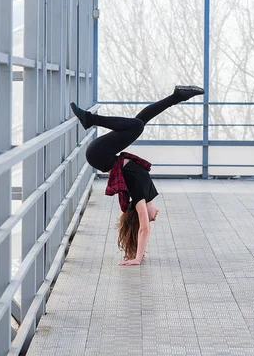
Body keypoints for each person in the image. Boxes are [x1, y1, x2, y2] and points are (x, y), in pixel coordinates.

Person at [70, 85, 204, 266]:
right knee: (140, 121)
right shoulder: (148, 193)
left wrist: (138, 258)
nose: (154, 218)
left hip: (99, 155)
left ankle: (89, 119)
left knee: (137, 126)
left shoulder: (139, 198)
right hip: (104, 154)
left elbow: (144, 230)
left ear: (141, 213)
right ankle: (177, 96)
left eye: (150, 218)